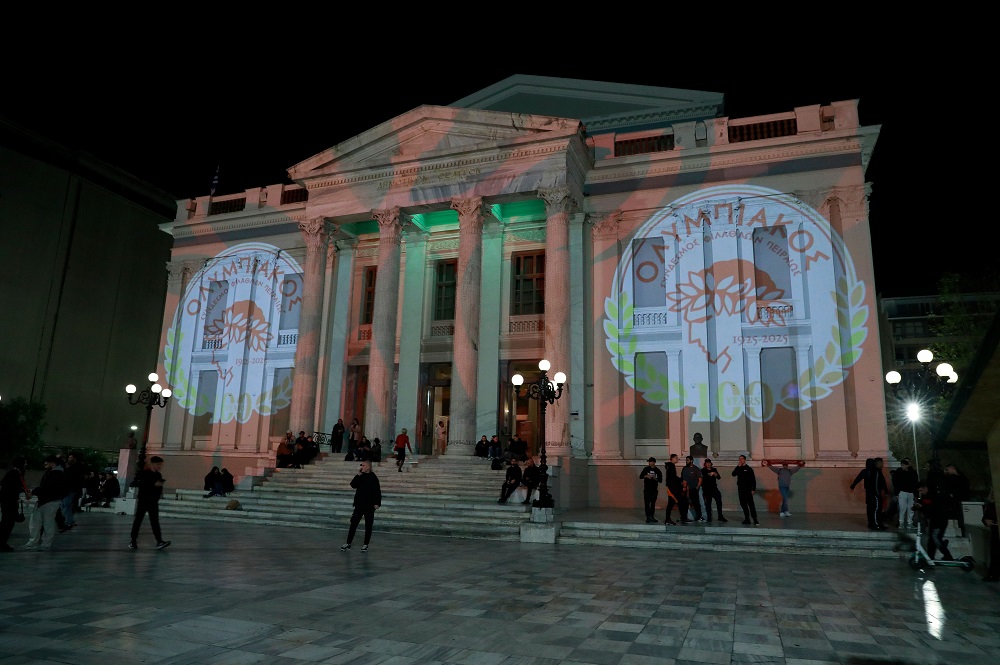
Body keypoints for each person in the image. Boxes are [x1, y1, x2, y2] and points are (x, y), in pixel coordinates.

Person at [22, 455, 66, 551]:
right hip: (43, 501)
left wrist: (33, 492)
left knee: (47, 524)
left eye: (46, 462)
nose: (44, 464)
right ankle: (33, 542)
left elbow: (47, 488)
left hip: (50, 502)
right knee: (35, 523)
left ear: (52, 463)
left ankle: (46, 544)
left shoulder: (57, 474)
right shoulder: (51, 472)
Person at [129, 456, 170, 550]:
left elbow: (159, 488)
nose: (159, 466)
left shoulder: (158, 475)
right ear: (152, 464)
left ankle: (159, 541)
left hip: (153, 501)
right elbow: (143, 487)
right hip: (143, 500)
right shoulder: (144, 474)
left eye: (161, 464)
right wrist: (153, 485)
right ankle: (133, 541)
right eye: (158, 464)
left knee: (155, 521)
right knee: (138, 520)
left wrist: (157, 494)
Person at [340, 459, 381, 552]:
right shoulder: (360, 476)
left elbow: (377, 491)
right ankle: (348, 543)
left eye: (363, 465)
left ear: (369, 467)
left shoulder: (373, 478)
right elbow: (353, 485)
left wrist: (377, 503)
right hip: (359, 504)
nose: (361, 467)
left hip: (369, 506)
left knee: (368, 525)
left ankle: (365, 544)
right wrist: (358, 475)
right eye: (361, 465)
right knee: (353, 523)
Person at [913, 482, 953, 561]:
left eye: (921, 490)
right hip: (934, 520)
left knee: (936, 538)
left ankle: (947, 555)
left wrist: (922, 507)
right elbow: (924, 507)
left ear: (925, 488)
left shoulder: (935, 496)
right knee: (931, 541)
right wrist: (917, 506)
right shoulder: (925, 497)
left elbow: (933, 509)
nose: (921, 493)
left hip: (940, 520)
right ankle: (930, 557)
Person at [851, 457, 888, 530]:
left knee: (870, 509)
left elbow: (858, 478)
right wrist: (884, 491)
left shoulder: (865, 471)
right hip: (875, 494)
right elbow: (881, 482)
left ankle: (871, 523)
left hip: (868, 493)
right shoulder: (876, 471)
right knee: (876, 509)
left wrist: (853, 485)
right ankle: (876, 524)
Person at [1, 457, 28, 552]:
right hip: (9, 502)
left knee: (7, 523)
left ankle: (2, 542)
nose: (26, 464)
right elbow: (9, 487)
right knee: (7, 523)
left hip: (8, 502)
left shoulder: (15, 472)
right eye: (25, 463)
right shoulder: (15, 473)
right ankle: (2, 543)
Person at [59, 452, 85, 532]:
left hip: (72, 489)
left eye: (70, 457)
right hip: (68, 489)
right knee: (65, 505)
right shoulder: (70, 467)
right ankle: (69, 520)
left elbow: (75, 479)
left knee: (66, 505)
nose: (69, 459)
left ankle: (68, 521)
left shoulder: (76, 468)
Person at [941, 464, 969, 536]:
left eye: (947, 469)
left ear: (951, 468)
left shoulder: (957, 478)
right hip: (956, 501)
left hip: (958, 500)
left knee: (959, 518)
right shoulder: (961, 478)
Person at [890, 458, 919, 529]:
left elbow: (915, 483)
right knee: (902, 508)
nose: (903, 466)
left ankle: (910, 523)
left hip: (911, 493)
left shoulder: (913, 472)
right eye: (902, 465)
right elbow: (895, 482)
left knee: (910, 508)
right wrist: (897, 493)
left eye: (905, 464)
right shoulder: (899, 471)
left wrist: (916, 494)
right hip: (902, 492)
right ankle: (901, 523)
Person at [732, 454, 759, 526]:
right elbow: (733, 474)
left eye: (742, 459)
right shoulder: (739, 468)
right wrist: (738, 466)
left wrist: (753, 489)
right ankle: (747, 518)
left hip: (748, 489)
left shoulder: (749, 469)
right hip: (741, 489)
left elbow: (753, 480)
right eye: (739, 459)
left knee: (751, 504)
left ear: (744, 460)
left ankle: (755, 519)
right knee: (743, 504)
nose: (740, 460)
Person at [982, 489, 999, 582]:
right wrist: (986, 520)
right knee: (995, 553)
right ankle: (993, 574)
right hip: (995, 530)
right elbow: (984, 517)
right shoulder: (991, 505)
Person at [639, 457, 662, 523]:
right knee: (647, 503)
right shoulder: (646, 469)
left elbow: (660, 480)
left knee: (653, 503)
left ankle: (652, 516)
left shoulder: (657, 470)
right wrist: (646, 476)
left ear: (654, 462)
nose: (650, 463)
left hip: (654, 489)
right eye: (649, 462)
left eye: (651, 462)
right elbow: (640, 476)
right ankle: (648, 517)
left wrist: (655, 478)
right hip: (647, 489)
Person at [681, 456, 703, 522]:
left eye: (687, 460)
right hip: (685, 489)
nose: (686, 461)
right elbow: (682, 478)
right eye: (686, 460)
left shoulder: (696, 469)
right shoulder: (684, 468)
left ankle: (699, 516)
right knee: (685, 503)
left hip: (693, 489)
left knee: (696, 503)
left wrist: (697, 487)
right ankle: (684, 517)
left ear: (691, 460)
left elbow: (700, 479)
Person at [663, 454, 682, 526]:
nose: (677, 459)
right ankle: (668, 519)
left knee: (671, 504)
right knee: (671, 504)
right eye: (676, 458)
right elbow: (672, 478)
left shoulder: (670, 466)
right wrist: (681, 480)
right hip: (672, 488)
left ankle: (668, 519)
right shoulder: (671, 466)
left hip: (671, 487)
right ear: (672, 458)